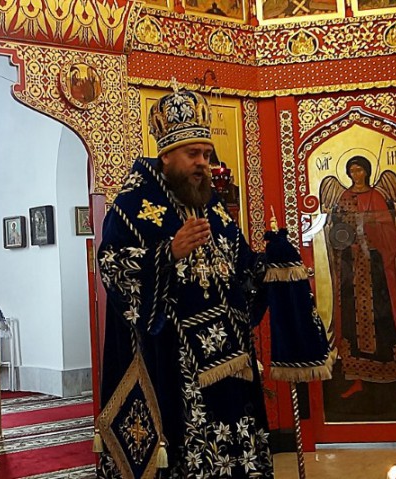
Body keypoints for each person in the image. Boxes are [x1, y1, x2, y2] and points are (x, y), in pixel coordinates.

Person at [96, 88, 273, 478]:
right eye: (194, 154)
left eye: (207, 155)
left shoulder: (211, 206)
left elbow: (241, 266)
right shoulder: (131, 206)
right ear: (166, 155)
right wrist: (168, 253)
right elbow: (112, 268)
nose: (203, 164)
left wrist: (273, 266)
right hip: (172, 359)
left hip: (229, 356)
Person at [320, 156, 396, 407]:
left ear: (367, 171)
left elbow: (391, 235)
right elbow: (335, 230)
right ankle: (357, 379)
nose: (356, 175)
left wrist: (372, 225)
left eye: (360, 170)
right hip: (351, 270)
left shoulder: (377, 197)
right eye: (352, 170)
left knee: (383, 321)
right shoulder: (344, 197)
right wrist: (344, 235)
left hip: (375, 269)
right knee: (352, 322)